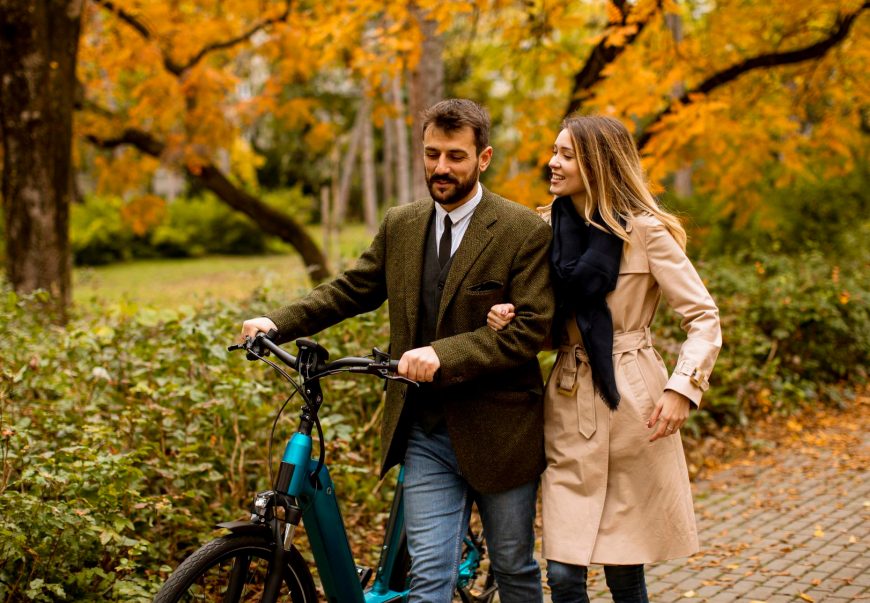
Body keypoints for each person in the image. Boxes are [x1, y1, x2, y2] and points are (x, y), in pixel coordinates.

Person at [241, 99, 554, 603]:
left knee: (515, 568)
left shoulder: (523, 232)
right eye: (432, 154)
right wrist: (276, 323)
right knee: (428, 576)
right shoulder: (401, 224)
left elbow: (529, 332)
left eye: (455, 156)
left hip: (502, 433)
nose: (441, 168)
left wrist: (441, 354)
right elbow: (349, 290)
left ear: (484, 158)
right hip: (425, 431)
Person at [487, 115, 722, 603]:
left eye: (567, 155)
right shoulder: (544, 229)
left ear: (598, 163)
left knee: (622, 564)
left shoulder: (647, 232)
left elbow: (703, 317)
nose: (553, 162)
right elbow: (548, 324)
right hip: (569, 400)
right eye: (554, 151)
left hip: (635, 403)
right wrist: (510, 315)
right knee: (565, 573)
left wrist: (684, 388)